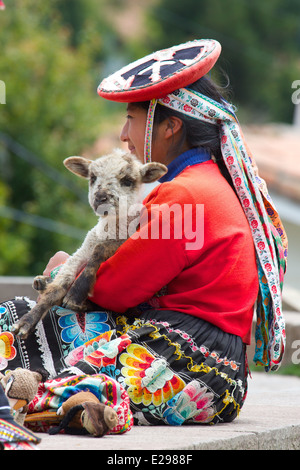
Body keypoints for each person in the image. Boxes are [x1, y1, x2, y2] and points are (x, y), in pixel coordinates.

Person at [0, 39, 287, 427]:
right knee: (23, 320)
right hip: (219, 374)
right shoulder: (205, 183)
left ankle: (75, 398)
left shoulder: (185, 195)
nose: (123, 133)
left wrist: (62, 270)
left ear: (170, 126)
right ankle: (66, 399)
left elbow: (114, 289)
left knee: (16, 322)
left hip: (186, 361)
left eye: (131, 118)